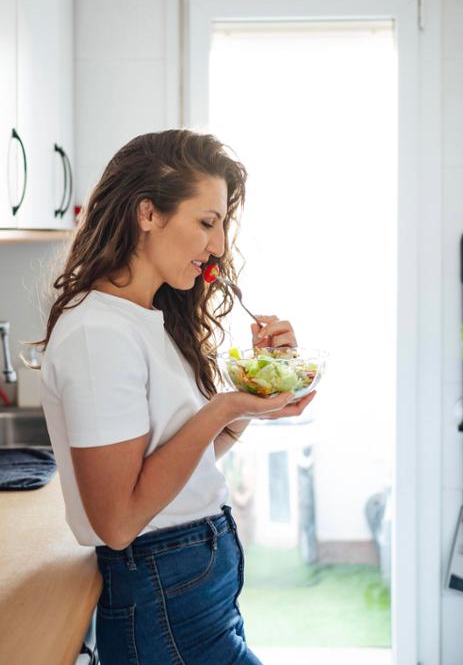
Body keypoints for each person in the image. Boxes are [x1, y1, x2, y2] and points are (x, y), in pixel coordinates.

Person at [38, 129, 315, 664]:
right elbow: (118, 523)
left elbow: (178, 463)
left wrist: (259, 392)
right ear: (148, 214)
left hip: (191, 592)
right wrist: (225, 407)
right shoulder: (99, 336)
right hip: (163, 590)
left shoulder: (144, 319)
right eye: (207, 223)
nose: (217, 247)